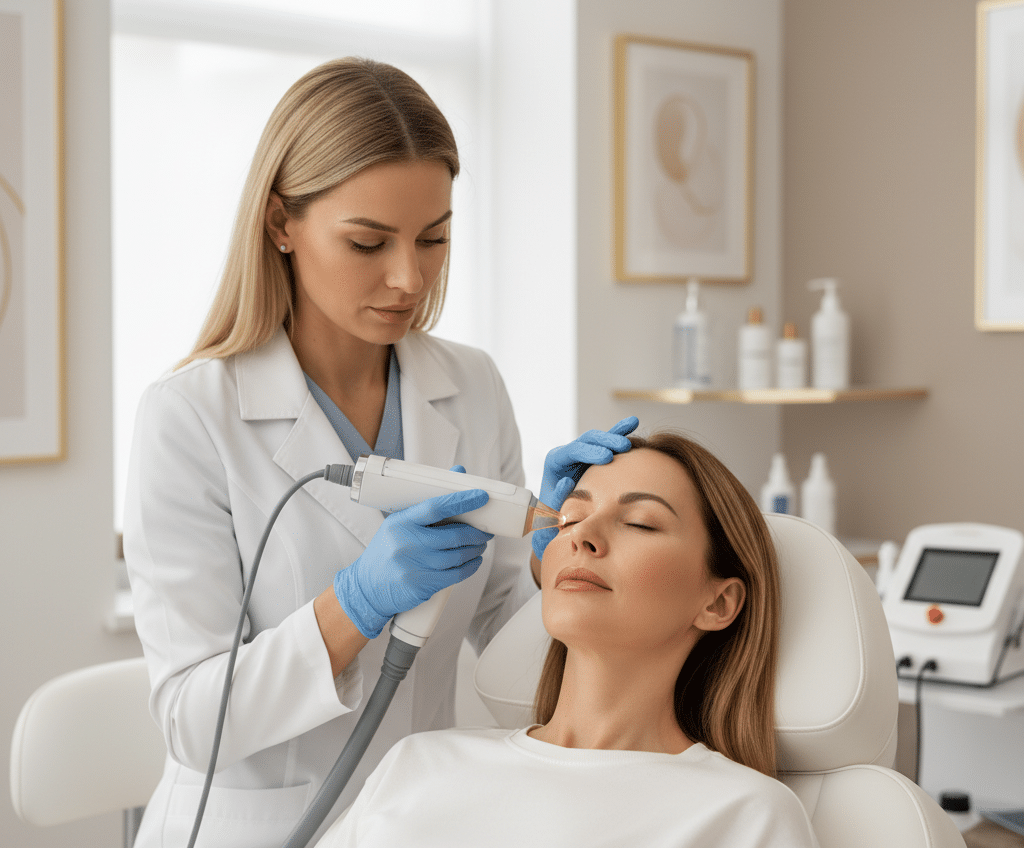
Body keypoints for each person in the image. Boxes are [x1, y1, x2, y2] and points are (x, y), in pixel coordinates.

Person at [123, 56, 636, 848]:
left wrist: (550, 564)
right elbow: (195, 720)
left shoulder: (469, 384)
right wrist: (352, 607)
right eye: (369, 242)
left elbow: (509, 653)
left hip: (420, 823)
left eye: (433, 238)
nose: (410, 278)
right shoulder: (191, 416)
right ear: (279, 223)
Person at [316, 431, 820, 847]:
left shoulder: (747, 815)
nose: (581, 535)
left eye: (641, 523)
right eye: (571, 517)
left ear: (718, 603)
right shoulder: (417, 765)